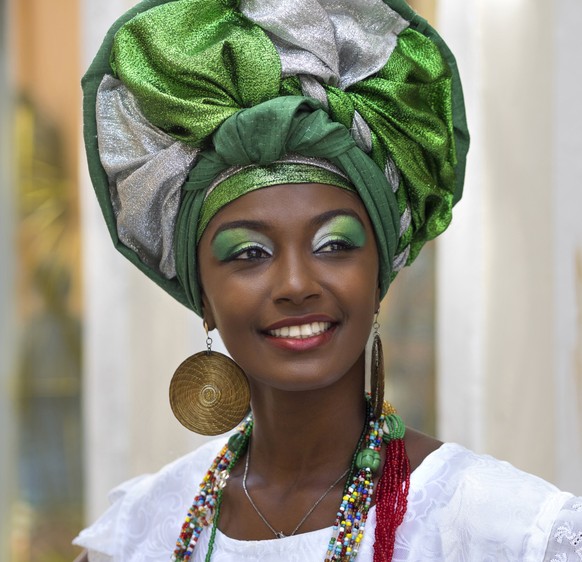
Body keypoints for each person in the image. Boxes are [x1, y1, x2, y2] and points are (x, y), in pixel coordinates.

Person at [74, 0, 581, 560]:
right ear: (204, 298)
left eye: (334, 245)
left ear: (378, 276)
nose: (295, 282)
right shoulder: (142, 530)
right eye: (248, 253)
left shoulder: (503, 531)